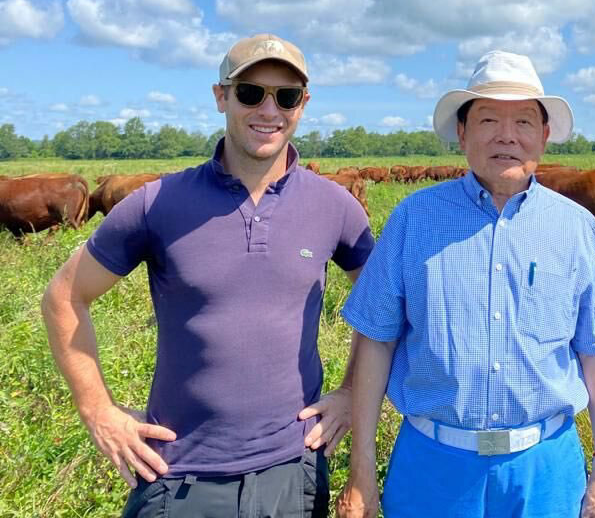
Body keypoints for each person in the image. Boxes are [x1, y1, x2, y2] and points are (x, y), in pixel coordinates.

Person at [42, 33, 374, 518]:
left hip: (292, 469)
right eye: (249, 92)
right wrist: (98, 410)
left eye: (285, 96)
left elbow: (381, 304)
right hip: (177, 473)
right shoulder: (158, 203)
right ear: (221, 96)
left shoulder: (335, 207)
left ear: (302, 104)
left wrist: (349, 393)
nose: (268, 109)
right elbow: (63, 298)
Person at [336, 50, 595, 518]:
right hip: (431, 465)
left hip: (546, 464)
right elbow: (376, 343)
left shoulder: (579, 229)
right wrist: (361, 473)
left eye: (522, 121)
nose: (506, 136)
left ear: (544, 134)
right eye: (488, 119)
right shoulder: (412, 220)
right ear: (462, 133)